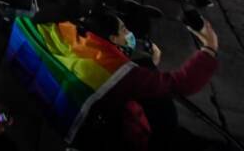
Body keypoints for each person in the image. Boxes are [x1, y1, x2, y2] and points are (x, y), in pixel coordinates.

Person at [76, 13, 220, 149]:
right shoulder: (121, 73)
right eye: (124, 29)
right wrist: (210, 47)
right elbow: (181, 83)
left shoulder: (85, 58)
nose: (128, 33)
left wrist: (150, 65)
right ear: (113, 39)